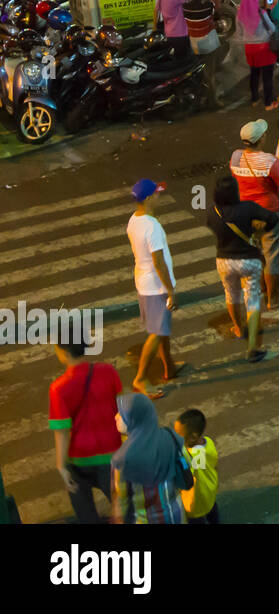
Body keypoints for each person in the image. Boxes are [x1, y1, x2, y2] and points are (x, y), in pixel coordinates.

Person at [230, 118, 279, 308]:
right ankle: (273, 298)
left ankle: (265, 287)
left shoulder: (235, 157)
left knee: (258, 252)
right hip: (269, 213)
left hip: (246, 214)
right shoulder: (270, 161)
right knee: (273, 254)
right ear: (261, 139)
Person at [49, 337, 123, 523]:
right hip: (112, 455)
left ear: (65, 354)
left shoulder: (59, 388)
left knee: (86, 513)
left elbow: (62, 431)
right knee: (122, 507)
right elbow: (122, 408)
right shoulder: (108, 371)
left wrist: (61, 466)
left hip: (79, 460)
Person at [126, 179, 181, 400]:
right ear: (148, 198)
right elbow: (159, 262)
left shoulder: (134, 220)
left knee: (162, 328)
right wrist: (170, 290)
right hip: (155, 286)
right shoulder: (152, 226)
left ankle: (169, 366)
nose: (159, 196)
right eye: (157, 193)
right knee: (157, 333)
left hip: (143, 281)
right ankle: (140, 378)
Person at [206, 175, 271, 362]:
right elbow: (272, 218)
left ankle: (238, 328)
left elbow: (212, 227)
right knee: (252, 300)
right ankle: (252, 346)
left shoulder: (213, 212)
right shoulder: (248, 208)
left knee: (231, 295)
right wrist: (258, 230)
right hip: (249, 259)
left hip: (224, 260)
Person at [109, 394, 189, 524]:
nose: (116, 416)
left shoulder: (122, 459)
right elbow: (186, 464)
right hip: (176, 515)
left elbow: (122, 500)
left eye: (121, 414)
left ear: (135, 419)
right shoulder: (171, 437)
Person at [236, 0, 278, 112]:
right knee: (267, 77)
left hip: (249, 49)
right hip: (264, 48)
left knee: (254, 74)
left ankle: (254, 99)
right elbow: (272, 29)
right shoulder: (261, 13)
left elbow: (239, 33)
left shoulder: (239, 15)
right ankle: (268, 103)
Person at [174, 409, 219, 523]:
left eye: (178, 435)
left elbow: (188, 474)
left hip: (196, 501)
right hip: (210, 491)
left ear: (193, 437)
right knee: (213, 512)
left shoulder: (193, 456)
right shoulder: (208, 442)